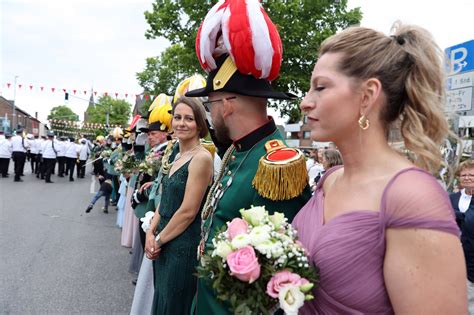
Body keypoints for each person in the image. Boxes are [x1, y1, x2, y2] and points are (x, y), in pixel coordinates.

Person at [292, 23, 466, 314]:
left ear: (368, 95)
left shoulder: (411, 195)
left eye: (320, 87)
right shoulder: (331, 180)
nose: (305, 102)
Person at [184, 2, 311, 313]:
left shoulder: (278, 163)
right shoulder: (239, 151)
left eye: (211, 104)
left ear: (227, 104)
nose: (210, 115)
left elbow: (278, 270)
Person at [144, 96, 213, 315]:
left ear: (200, 124)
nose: (181, 123)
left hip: (181, 246)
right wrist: (150, 232)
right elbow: (163, 202)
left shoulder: (202, 158)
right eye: (178, 117)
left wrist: (158, 239)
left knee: (174, 305)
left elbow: (188, 211)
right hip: (162, 242)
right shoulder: (177, 155)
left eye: (189, 119)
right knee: (162, 298)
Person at [450, 159, 474, 314]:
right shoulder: (453, 198)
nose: (467, 178)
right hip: (456, 251)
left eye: (471, 175)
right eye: (463, 175)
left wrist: (458, 216)